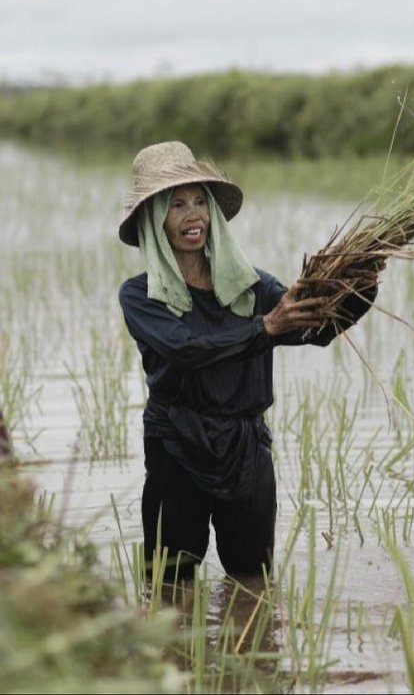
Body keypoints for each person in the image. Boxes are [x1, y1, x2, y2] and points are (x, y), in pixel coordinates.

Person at [118, 141, 379, 582]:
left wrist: (359, 286)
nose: (192, 215)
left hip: (246, 448)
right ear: (154, 220)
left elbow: (313, 331)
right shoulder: (141, 295)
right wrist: (265, 329)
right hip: (177, 443)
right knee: (169, 583)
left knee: (254, 578)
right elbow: (187, 350)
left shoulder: (253, 286)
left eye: (200, 201)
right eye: (176, 204)